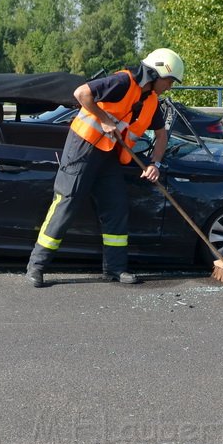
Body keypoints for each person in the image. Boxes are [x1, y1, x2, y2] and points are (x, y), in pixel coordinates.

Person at [25, 48, 185, 287]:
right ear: (156, 73)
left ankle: (115, 269)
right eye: (169, 80)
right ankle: (36, 266)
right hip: (83, 149)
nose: (170, 86)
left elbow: (161, 136)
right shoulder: (122, 82)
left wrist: (155, 163)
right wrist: (104, 119)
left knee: (116, 208)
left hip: (109, 157)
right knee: (66, 204)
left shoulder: (151, 102)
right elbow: (81, 93)